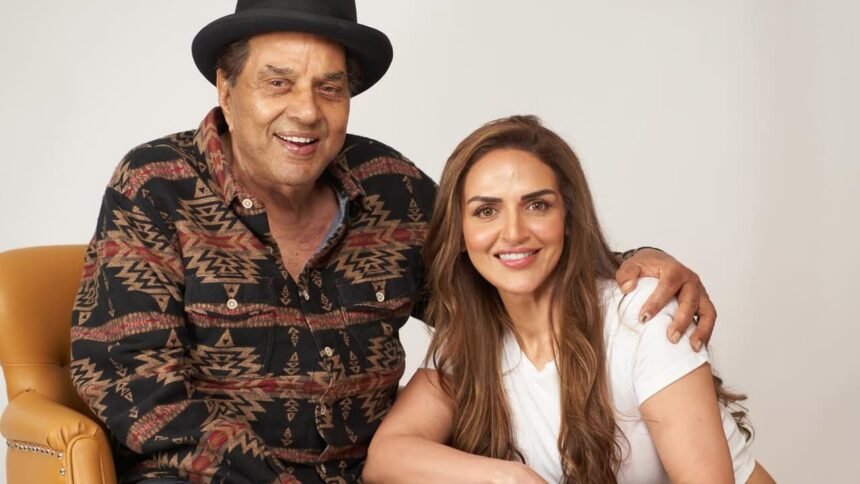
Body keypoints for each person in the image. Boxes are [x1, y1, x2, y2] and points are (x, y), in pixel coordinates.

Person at [70, 1, 718, 482]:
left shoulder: (391, 188)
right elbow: (132, 384)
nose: (307, 110)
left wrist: (631, 265)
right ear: (226, 85)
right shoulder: (156, 186)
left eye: (330, 87)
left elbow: (497, 264)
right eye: (278, 81)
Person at [363, 115, 776, 483]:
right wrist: (507, 478)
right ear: (461, 232)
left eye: (536, 205)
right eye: (486, 211)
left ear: (569, 218)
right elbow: (386, 456)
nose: (513, 233)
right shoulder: (470, 342)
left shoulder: (640, 315)